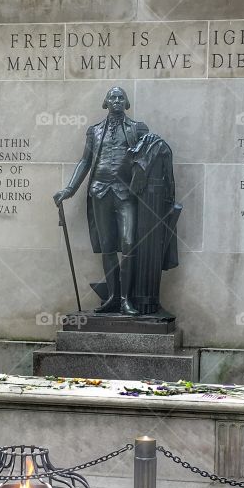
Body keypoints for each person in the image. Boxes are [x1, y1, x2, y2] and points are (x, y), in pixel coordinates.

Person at [54, 86, 179, 316]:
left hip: (126, 194)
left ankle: (126, 300)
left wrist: (155, 142)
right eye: (113, 97)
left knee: (129, 243)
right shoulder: (94, 131)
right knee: (108, 247)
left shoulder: (137, 128)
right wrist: (69, 189)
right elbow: (85, 161)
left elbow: (153, 151)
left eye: (121, 97)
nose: (117, 100)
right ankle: (113, 297)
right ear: (106, 102)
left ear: (127, 102)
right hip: (100, 192)